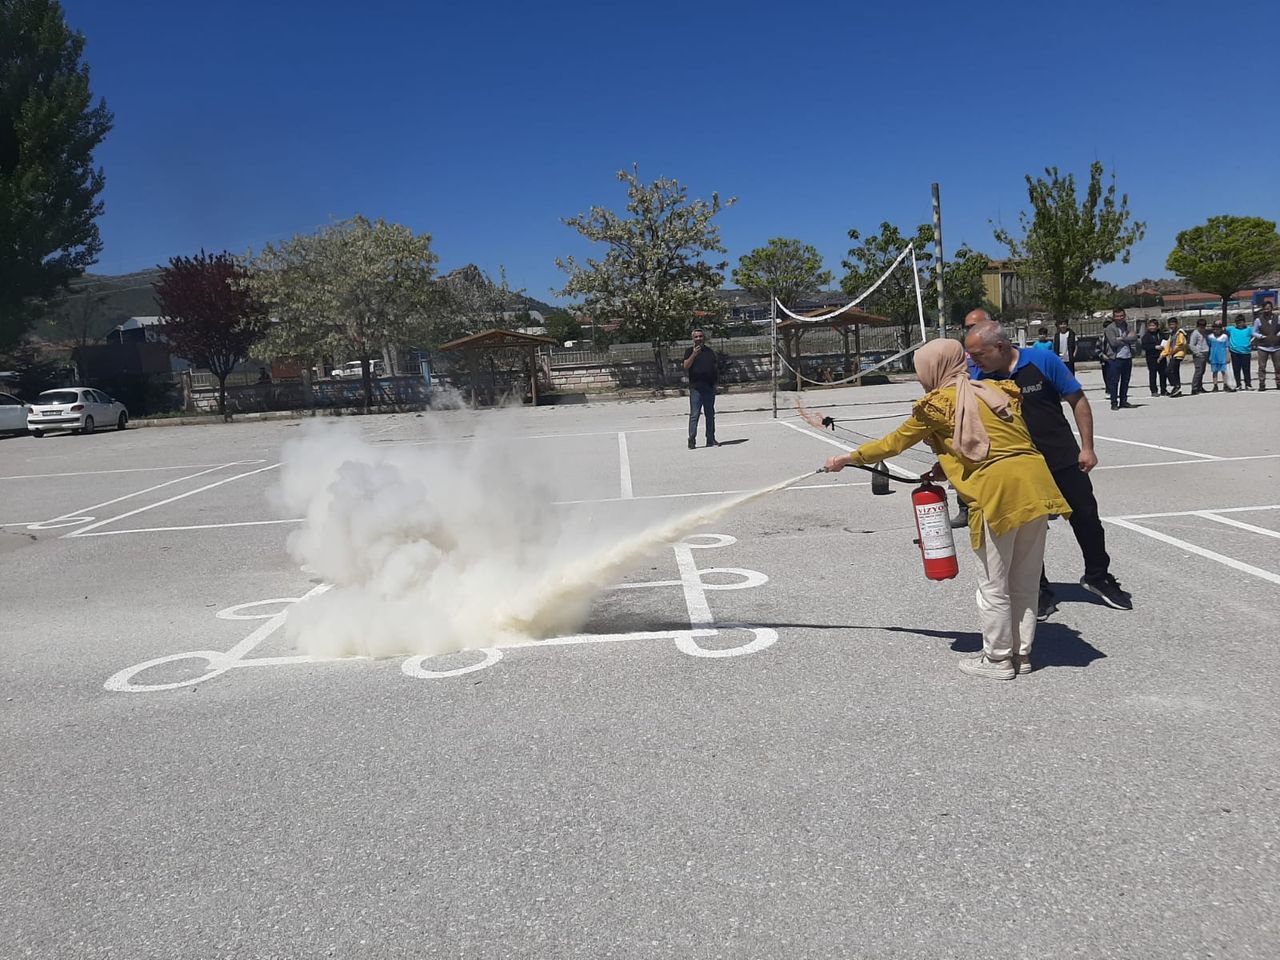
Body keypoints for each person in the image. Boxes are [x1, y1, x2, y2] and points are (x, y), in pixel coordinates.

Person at [823, 339, 1070, 680]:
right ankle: (1021, 654)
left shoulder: (938, 404)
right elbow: (994, 439)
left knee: (994, 584)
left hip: (996, 494)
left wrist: (847, 459)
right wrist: (947, 465)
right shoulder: (992, 390)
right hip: (1036, 485)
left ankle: (997, 660)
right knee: (1025, 580)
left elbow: (893, 444)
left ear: (933, 368)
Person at [966, 322, 1133, 618]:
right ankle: (1038, 588)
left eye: (978, 354)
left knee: (1086, 518)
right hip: (1018, 466)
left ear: (1000, 347)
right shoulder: (979, 376)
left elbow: (1077, 400)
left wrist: (1087, 447)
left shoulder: (1042, 361)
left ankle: (1097, 576)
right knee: (1028, 529)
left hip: (1061, 456)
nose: (973, 360)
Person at [682, 329, 718, 448]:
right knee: (694, 415)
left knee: (710, 414)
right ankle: (692, 440)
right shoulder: (689, 351)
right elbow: (686, 365)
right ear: (693, 339)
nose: (698, 339)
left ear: (704, 338)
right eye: (696, 337)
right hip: (696, 389)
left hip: (709, 388)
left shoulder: (709, 352)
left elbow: (714, 368)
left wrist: (715, 383)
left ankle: (710, 439)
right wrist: (694, 354)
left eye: (700, 336)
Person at [1101, 308, 1140, 410]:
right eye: (1117, 316)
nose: (1119, 318)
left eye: (1121, 316)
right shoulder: (1109, 328)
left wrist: (1121, 338)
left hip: (1127, 357)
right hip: (1115, 358)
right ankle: (1114, 402)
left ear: (1124, 316)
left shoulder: (1128, 326)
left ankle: (1124, 401)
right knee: (1114, 382)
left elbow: (1135, 338)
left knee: (1125, 380)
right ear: (1114, 317)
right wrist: (1127, 339)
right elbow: (1113, 343)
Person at [1253, 299, 1280, 391]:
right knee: (1262, 366)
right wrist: (1261, 336)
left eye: (1268, 308)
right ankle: (1262, 383)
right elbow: (1254, 332)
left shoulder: (1278, 318)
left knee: (1278, 366)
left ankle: (1279, 383)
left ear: (1272, 308)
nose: (1267, 310)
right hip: (1263, 346)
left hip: (1276, 346)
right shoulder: (1258, 320)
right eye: (1265, 309)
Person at [1160, 317, 1188, 397]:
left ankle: (1175, 385)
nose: (1171, 326)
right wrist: (1162, 355)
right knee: (1175, 371)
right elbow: (1168, 346)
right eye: (1170, 324)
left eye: (1173, 324)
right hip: (1173, 355)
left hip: (1178, 354)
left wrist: (1172, 352)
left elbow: (1180, 344)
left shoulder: (1180, 333)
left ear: (1176, 324)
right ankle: (1177, 387)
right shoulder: (1172, 334)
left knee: (1168, 370)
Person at [1140, 319, 1168, 397]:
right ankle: (1154, 390)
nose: (1152, 327)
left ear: (1157, 326)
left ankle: (1164, 390)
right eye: (1150, 326)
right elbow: (1144, 346)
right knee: (1153, 374)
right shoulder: (1146, 336)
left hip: (1161, 356)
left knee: (1163, 374)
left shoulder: (1161, 334)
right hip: (1151, 357)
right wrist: (1155, 347)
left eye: (1153, 326)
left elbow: (1166, 342)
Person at [1227, 314, 1254, 390]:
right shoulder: (1231, 329)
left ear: (1244, 322)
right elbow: (1222, 330)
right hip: (1235, 352)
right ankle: (1238, 384)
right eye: (1237, 322)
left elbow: (1257, 332)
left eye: (1241, 322)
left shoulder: (1249, 329)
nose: (1239, 324)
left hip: (1246, 352)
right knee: (1236, 369)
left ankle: (1248, 384)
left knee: (1246, 369)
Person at [1188, 318, 1211, 394]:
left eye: (1203, 326)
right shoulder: (1195, 333)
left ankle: (1199, 386)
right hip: (1199, 354)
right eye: (1200, 326)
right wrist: (1197, 353)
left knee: (1202, 371)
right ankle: (1194, 388)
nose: (1202, 328)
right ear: (1197, 326)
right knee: (1198, 371)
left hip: (1205, 353)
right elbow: (1191, 345)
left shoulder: (1204, 332)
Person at [1208, 321, 1232, 392]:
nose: (1216, 330)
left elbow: (1227, 347)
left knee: (1223, 371)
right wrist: (1209, 356)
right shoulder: (1210, 337)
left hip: (1222, 356)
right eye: (1215, 328)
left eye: (1218, 328)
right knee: (1214, 372)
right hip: (1214, 356)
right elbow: (1209, 347)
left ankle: (1225, 384)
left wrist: (1228, 356)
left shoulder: (1224, 337)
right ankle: (1215, 385)